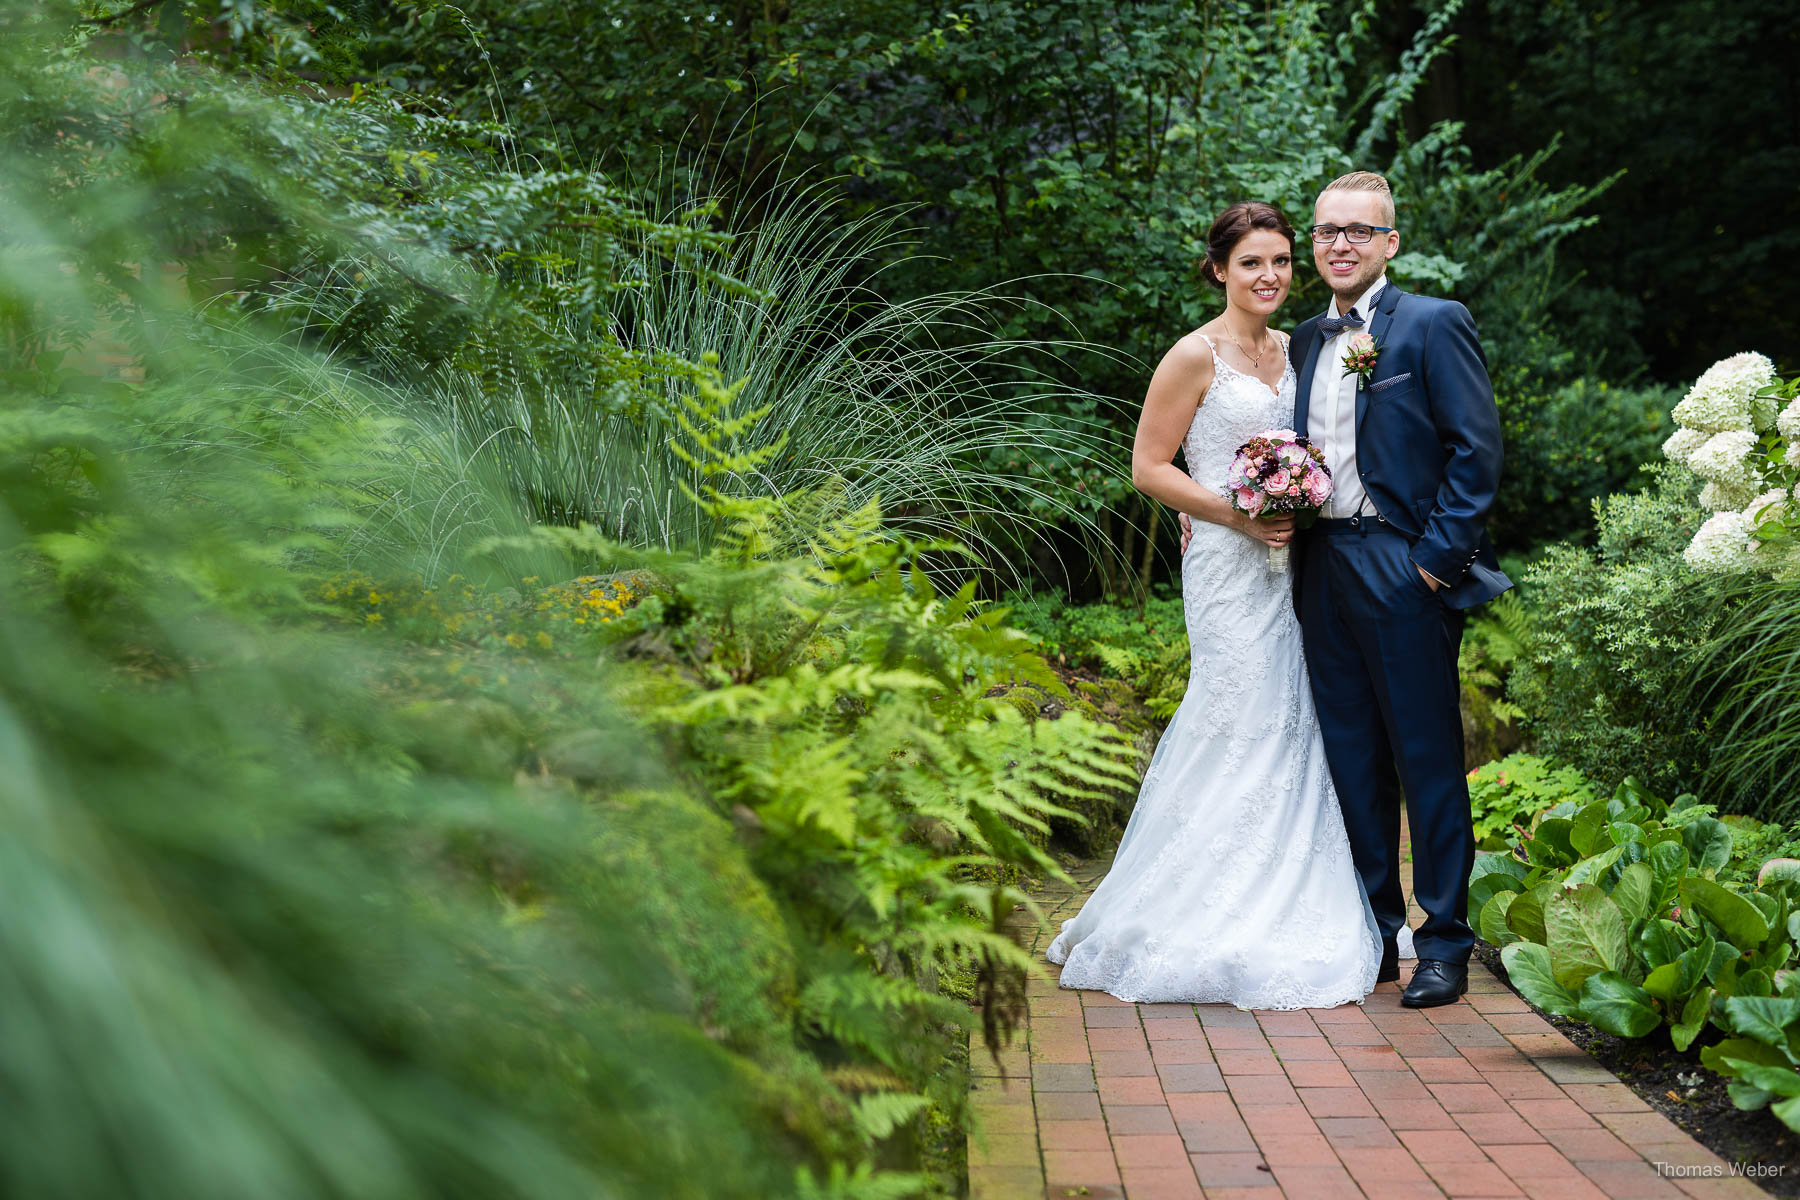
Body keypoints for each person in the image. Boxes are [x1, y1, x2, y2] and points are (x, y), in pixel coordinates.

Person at [1045, 201, 1382, 1009]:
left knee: (1297, 716)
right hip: (1229, 567)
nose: (1268, 276)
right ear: (1219, 270)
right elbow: (1148, 467)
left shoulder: (1303, 346)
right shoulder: (1193, 357)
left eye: (1279, 261)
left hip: (1301, 562)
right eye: (1251, 263)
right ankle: (1193, 906)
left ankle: (1290, 887)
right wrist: (1235, 513)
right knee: (1236, 712)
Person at [1282, 170, 1509, 1007]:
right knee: (1350, 757)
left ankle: (1443, 939)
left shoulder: (1432, 323)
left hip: (1402, 564)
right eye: (1326, 232)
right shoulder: (1303, 339)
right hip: (1320, 567)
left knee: (1427, 762)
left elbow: (1475, 454)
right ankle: (1371, 934)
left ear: (1390, 243)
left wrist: (1432, 566)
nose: (1339, 244)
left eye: (1357, 231)